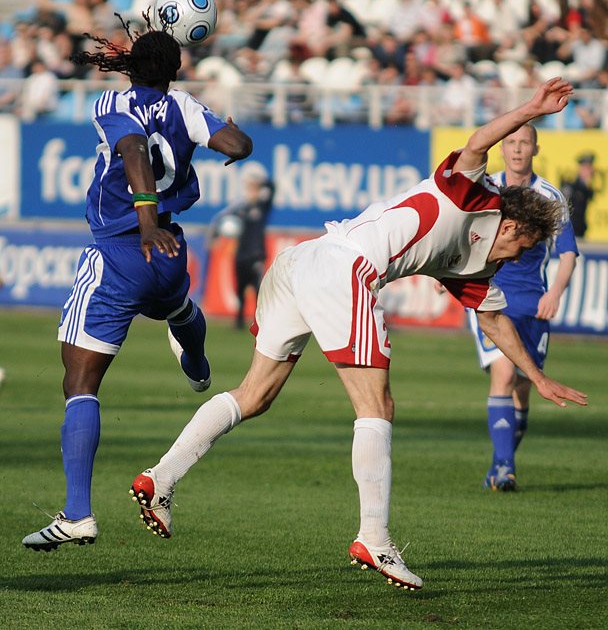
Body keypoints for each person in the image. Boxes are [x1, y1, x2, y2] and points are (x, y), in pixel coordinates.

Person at [129, 78, 586, 591]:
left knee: (254, 395)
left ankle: (160, 478)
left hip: (302, 262)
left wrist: (537, 378)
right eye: (525, 247)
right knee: (377, 406)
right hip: (344, 268)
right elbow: (479, 141)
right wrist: (531, 108)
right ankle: (374, 538)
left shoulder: (478, 266)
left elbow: (494, 320)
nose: (520, 258)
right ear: (515, 226)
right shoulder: (471, 194)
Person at [21, 17, 253, 552]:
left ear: (129, 66)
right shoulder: (186, 106)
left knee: (80, 384)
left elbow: (132, 151)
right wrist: (232, 137)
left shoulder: (113, 102)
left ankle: (77, 514)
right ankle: (197, 363)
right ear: (176, 69)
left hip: (124, 250)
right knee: (177, 306)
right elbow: (239, 145)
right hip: (169, 252)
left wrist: (145, 221)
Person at [467, 123, 578, 492]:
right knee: (503, 374)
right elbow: (465, 234)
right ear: (501, 149)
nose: (517, 149)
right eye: (511, 142)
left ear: (536, 149)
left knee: (522, 385)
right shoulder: (487, 188)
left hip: (533, 300)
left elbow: (567, 254)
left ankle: (500, 464)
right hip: (491, 294)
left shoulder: (549, 196)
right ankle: (505, 469)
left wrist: (555, 293)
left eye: (524, 143)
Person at [210, 171, 275, 329]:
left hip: (256, 255)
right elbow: (220, 220)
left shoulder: (262, 207)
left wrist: (260, 182)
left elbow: (273, 187)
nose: (252, 193)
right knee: (240, 289)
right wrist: (215, 237)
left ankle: (262, 322)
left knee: (258, 290)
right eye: (250, 189)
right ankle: (238, 322)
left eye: (254, 189)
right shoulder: (240, 209)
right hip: (241, 255)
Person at [561, 152, 595, 239]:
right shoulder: (571, 187)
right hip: (570, 231)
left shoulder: (586, 188)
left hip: (580, 230)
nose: (590, 171)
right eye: (587, 168)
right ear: (580, 169)